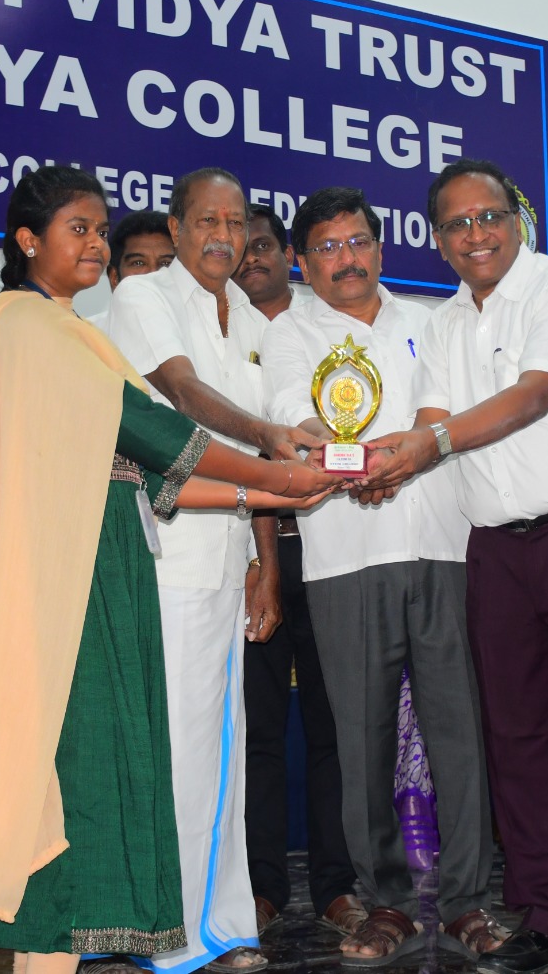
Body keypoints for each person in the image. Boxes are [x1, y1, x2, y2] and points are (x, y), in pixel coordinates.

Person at [0, 165, 339, 974]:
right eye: (77, 229)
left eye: (100, 230)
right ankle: (61, 938)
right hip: (66, 575)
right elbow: (149, 427)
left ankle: (106, 932)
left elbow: (147, 474)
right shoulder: (23, 322)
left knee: (109, 760)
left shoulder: (77, 331)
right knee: (69, 760)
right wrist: (275, 474)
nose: (97, 245)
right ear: (27, 239)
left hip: (103, 558)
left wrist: (270, 493)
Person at [361, 159, 548, 974]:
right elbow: (431, 418)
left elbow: (534, 394)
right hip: (496, 547)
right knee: (521, 736)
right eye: (457, 224)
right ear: (437, 240)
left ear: (516, 220)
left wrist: (427, 443)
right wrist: (386, 460)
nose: (476, 234)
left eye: (489, 216)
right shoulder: (445, 323)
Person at [260, 187, 503, 965]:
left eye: (358, 241)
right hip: (346, 554)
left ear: (381, 247)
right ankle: (387, 902)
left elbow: (448, 420)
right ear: (301, 262)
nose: (347, 259)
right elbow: (296, 426)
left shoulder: (432, 322)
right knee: (359, 740)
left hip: (443, 546)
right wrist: (360, 463)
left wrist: (402, 458)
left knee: (459, 732)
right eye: (327, 247)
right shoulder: (288, 334)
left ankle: (466, 901)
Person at [107, 167, 323, 974]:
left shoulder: (250, 319)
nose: (223, 236)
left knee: (222, 748)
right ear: (176, 226)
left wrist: (266, 564)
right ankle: (165, 934)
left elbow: (266, 439)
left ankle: (221, 925)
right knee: (175, 748)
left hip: (227, 556)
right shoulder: (145, 297)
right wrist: (272, 443)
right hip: (162, 556)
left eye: (235, 223)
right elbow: (184, 394)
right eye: (207, 220)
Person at [234, 203, 364, 938]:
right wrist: (263, 562)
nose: (249, 256)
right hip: (253, 551)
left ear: (291, 256)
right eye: (238, 245)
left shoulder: (331, 338)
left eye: (262, 244)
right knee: (257, 728)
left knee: (332, 724)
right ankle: (260, 886)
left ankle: (337, 887)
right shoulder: (222, 337)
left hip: (332, 545)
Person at [87, 209, 176, 328]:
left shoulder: (198, 331)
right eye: (138, 263)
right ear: (114, 277)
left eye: (165, 263)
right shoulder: (85, 334)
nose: (153, 274)